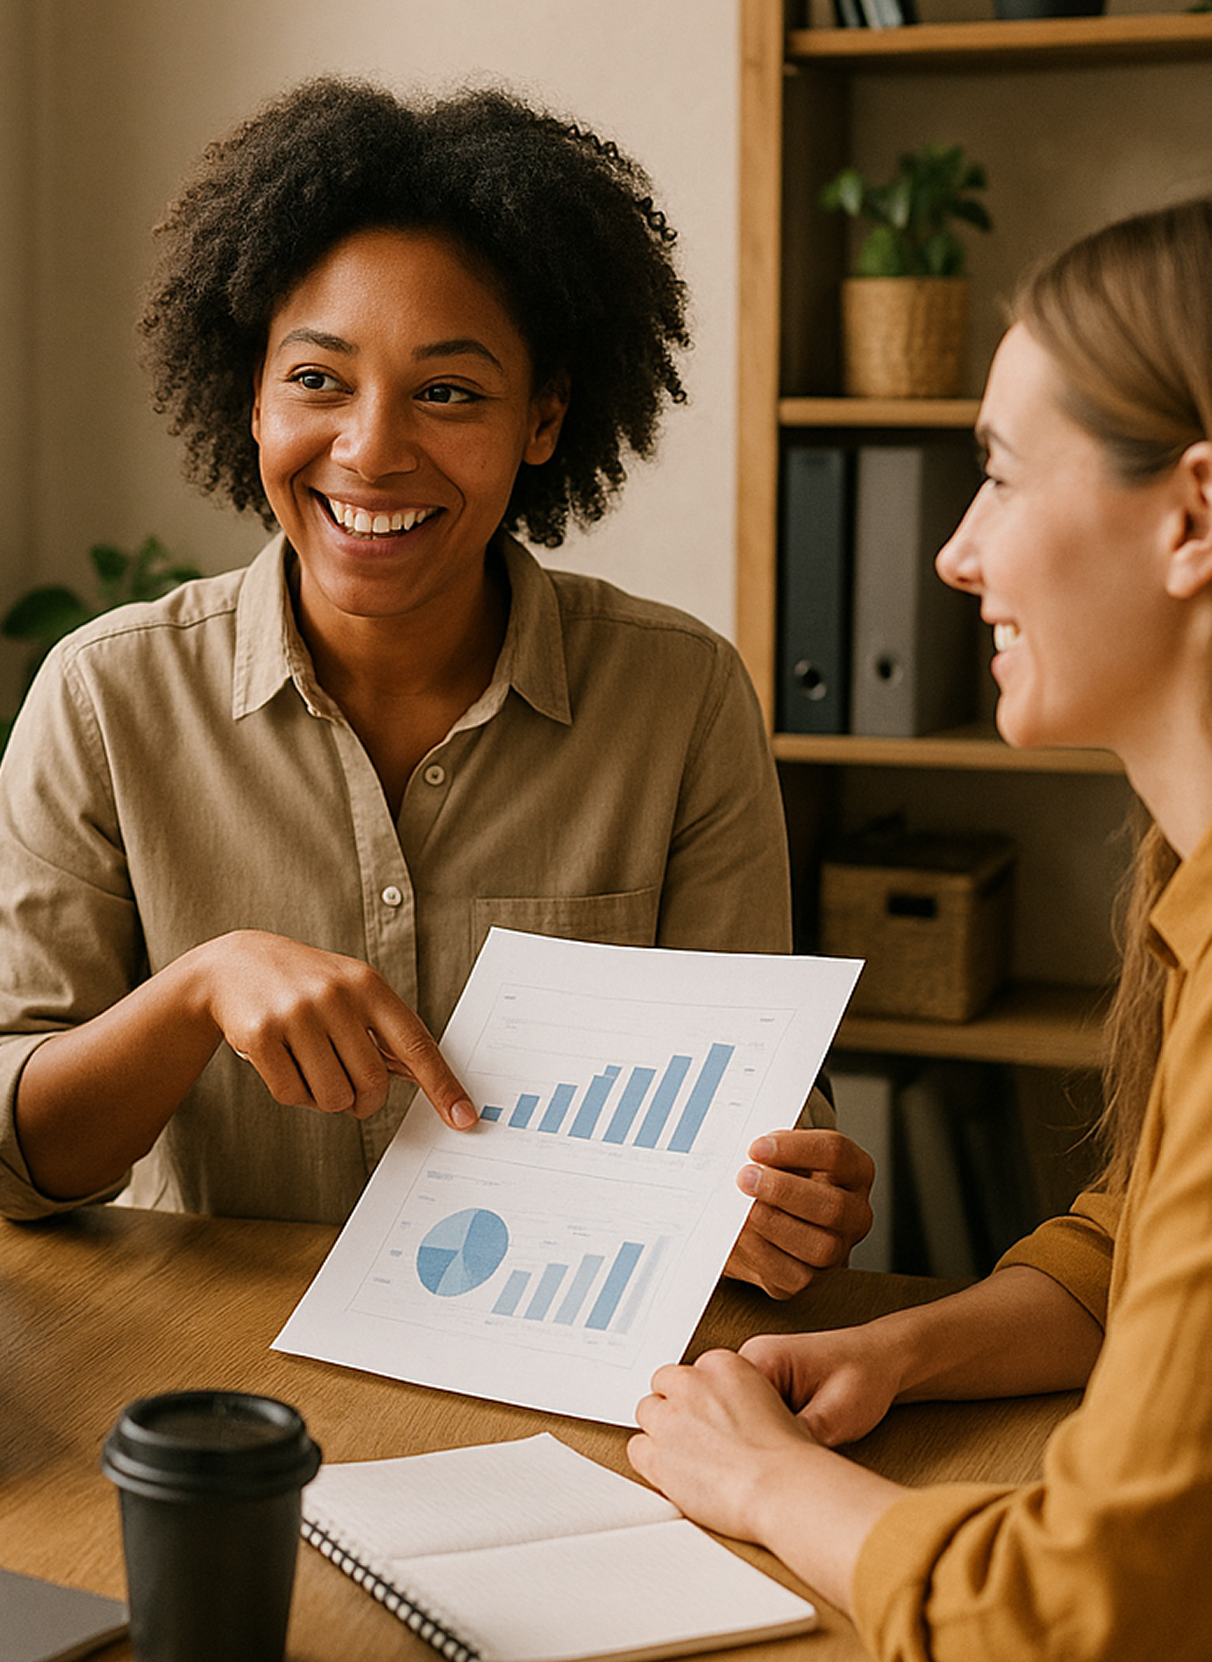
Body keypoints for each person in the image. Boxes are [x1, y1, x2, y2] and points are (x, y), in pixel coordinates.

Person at [0, 76, 873, 1295]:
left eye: (448, 392)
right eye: (318, 379)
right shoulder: (103, 699)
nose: (371, 450)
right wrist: (196, 991)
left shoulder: (680, 701)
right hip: (212, 1369)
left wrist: (781, 1192)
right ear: (252, 394)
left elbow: (751, 1108)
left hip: (545, 1366)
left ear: (544, 418)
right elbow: (19, 1161)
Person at [629, 194, 1212, 1662]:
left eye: (1000, 478)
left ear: (1194, 518)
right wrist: (899, 1349)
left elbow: (1078, 1624)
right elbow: (1137, 1239)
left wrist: (765, 1481)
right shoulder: (1184, 878)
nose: (955, 555)